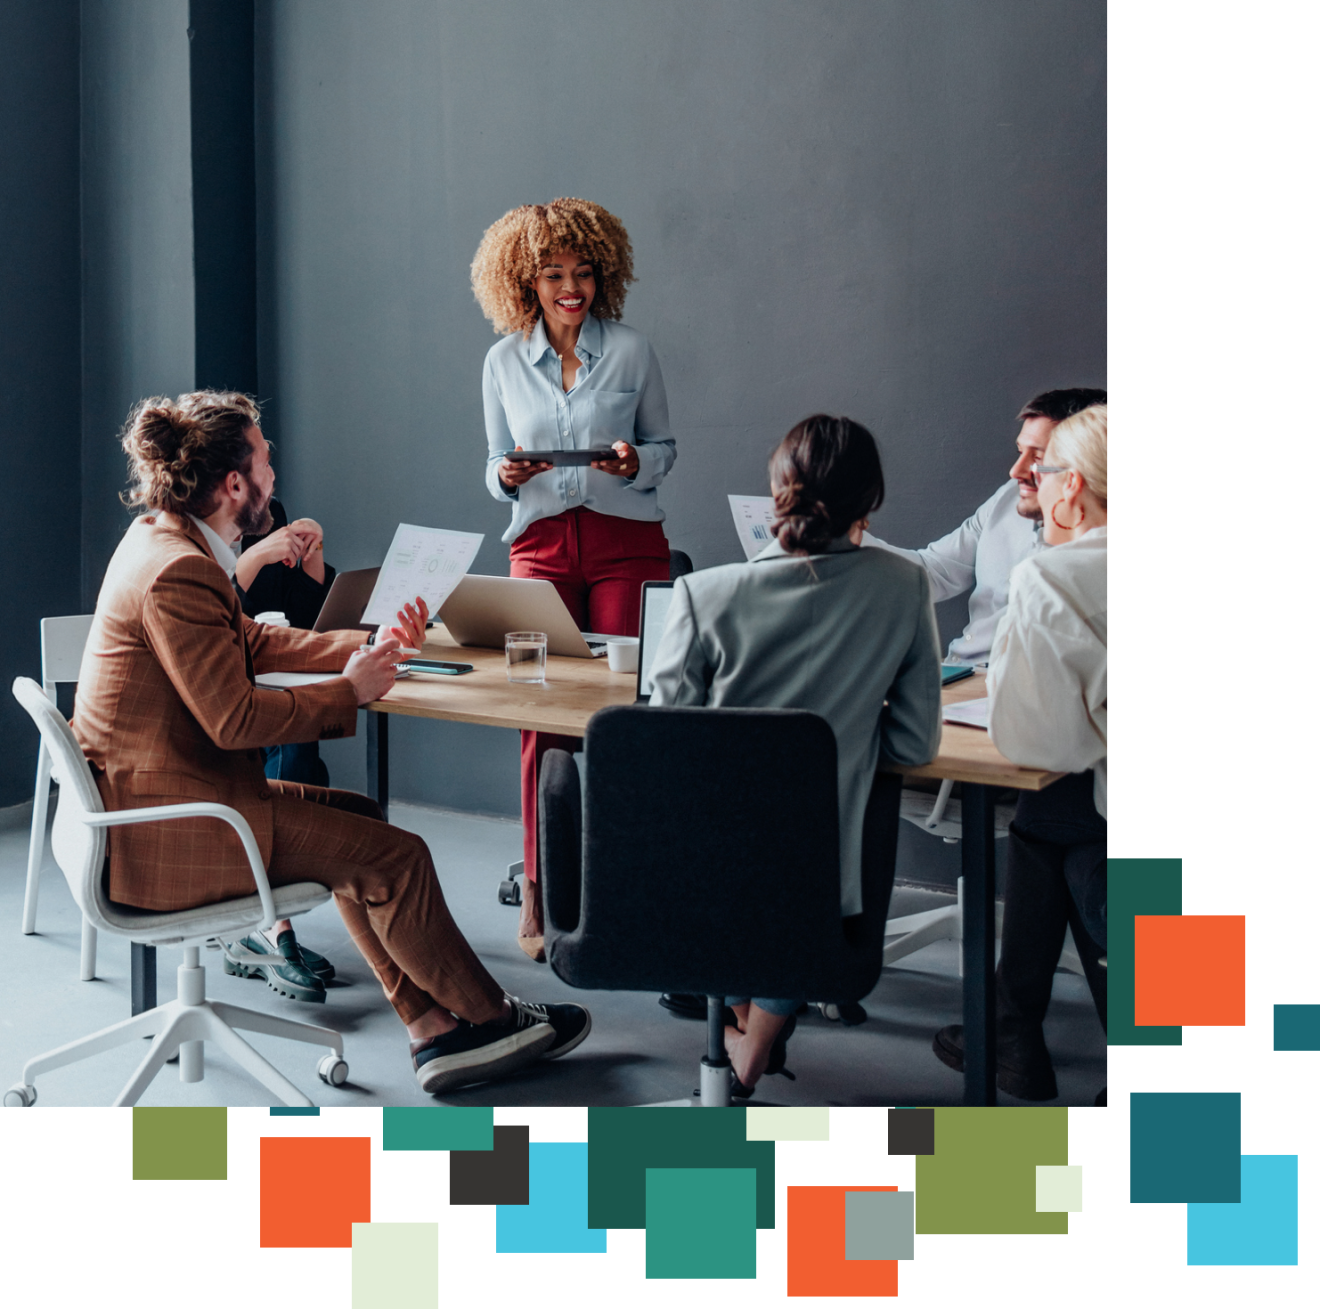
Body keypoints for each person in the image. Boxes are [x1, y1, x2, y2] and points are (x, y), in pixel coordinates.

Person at [72, 389, 590, 1095]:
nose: (274, 475)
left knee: (363, 826)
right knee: (398, 855)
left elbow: (251, 640)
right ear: (233, 484)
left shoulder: (165, 539)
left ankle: (429, 1026)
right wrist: (351, 689)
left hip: (170, 800)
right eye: (263, 458)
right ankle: (490, 1017)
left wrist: (364, 647)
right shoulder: (179, 570)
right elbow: (235, 719)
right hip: (175, 829)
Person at [648, 414, 942, 1096]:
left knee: (740, 896)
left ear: (775, 491)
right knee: (789, 909)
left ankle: (744, 1047)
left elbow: (660, 745)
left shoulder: (702, 593)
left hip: (698, 870)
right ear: (870, 502)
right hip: (822, 878)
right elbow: (914, 742)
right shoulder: (904, 586)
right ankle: (751, 1047)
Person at [471, 198, 677, 961]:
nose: (571, 288)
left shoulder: (631, 350)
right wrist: (507, 471)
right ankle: (539, 890)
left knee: (623, 708)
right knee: (538, 711)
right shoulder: (501, 362)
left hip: (627, 542)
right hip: (541, 546)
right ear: (525, 282)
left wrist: (635, 461)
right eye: (554, 274)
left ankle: (627, 881)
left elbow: (664, 446)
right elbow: (494, 466)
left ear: (602, 275)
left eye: (583, 273)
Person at [932, 403, 1108, 1102]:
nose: (1020, 476)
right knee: (1057, 827)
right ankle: (1015, 1036)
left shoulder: (1058, 576)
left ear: (1072, 486)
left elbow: (1036, 743)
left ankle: (1011, 1040)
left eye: (1044, 464)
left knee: (1055, 821)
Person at [872, 387, 1107, 664]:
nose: (1016, 471)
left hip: (1028, 687)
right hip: (960, 674)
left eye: (1039, 458)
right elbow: (934, 570)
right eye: (1020, 451)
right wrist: (843, 535)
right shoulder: (1008, 497)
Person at [221, 497, 339, 1003]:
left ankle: (269, 923)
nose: (270, 476)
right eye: (261, 457)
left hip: (268, 687)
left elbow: (303, 622)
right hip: (211, 708)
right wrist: (251, 560)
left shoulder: (269, 514)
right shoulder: (182, 540)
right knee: (290, 750)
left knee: (298, 740)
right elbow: (211, 624)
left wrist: (311, 568)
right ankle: (272, 927)